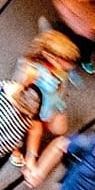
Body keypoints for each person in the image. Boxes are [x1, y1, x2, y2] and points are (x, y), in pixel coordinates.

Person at [18, 30, 80, 164]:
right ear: (49, 56)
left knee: (59, 128)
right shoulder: (33, 70)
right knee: (34, 130)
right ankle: (24, 153)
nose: (68, 66)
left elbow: (59, 88)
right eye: (64, 62)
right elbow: (19, 89)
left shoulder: (59, 71)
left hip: (48, 104)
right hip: (32, 105)